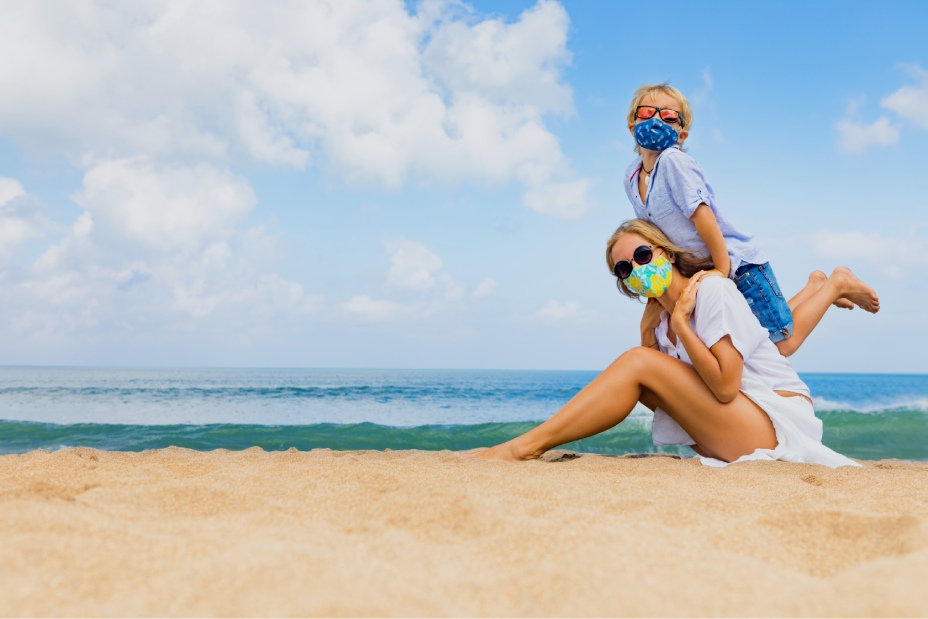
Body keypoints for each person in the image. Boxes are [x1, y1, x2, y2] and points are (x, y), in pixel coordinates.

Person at [469, 219, 858, 467]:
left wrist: (681, 326)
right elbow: (657, 395)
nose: (636, 269)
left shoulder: (712, 292)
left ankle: (526, 446)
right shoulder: (656, 324)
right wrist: (647, 332)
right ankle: (530, 443)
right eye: (625, 269)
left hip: (777, 422)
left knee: (640, 362)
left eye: (642, 255)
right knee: (641, 362)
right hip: (736, 424)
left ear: (666, 253)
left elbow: (724, 387)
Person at [623, 83, 879, 356]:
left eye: (669, 116)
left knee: (781, 344)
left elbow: (703, 217)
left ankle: (836, 283)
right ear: (631, 124)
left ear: (681, 134)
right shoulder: (630, 177)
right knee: (759, 337)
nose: (656, 120)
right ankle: (816, 286)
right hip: (703, 272)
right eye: (648, 111)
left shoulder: (674, 162)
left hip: (737, 265)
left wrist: (722, 269)